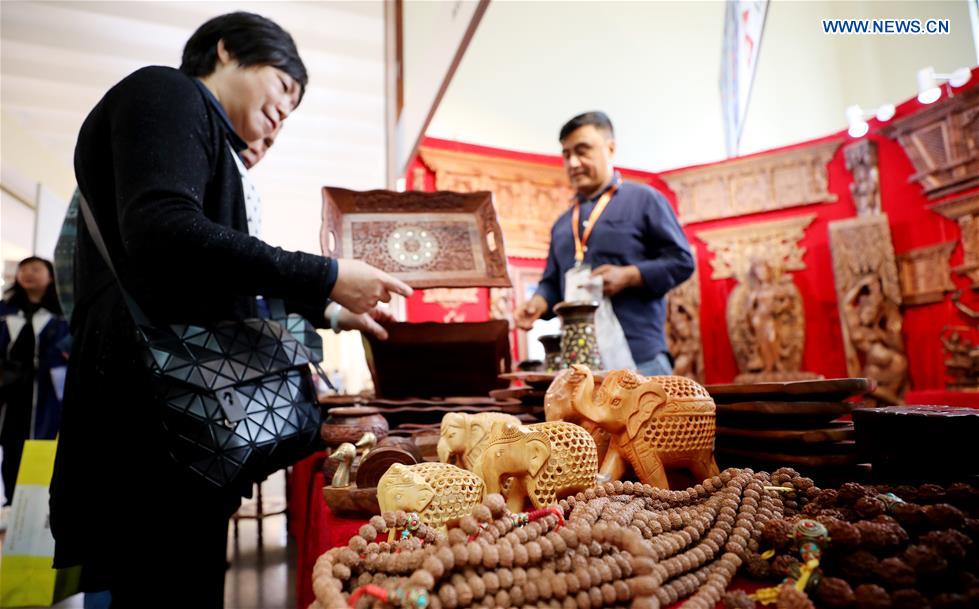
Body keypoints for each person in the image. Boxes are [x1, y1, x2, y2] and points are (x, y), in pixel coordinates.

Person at [49, 12, 411, 608]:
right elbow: (165, 229)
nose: (283, 112)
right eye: (283, 86)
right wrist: (326, 275)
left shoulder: (208, 133)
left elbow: (220, 275)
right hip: (151, 418)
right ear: (226, 50)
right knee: (159, 580)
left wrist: (330, 308)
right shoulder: (167, 90)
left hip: (174, 416)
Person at [515, 112, 694, 376]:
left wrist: (630, 275)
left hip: (641, 358)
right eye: (566, 154)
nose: (573, 163)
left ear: (610, 148)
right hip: (580, 364)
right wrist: (537, 303)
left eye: (582, 151)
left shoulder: (645, 200)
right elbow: (552, 283)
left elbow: (682, 261)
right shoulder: (562, 224)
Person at [0, 257, 70, 504]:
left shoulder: (64, 313)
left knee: (42, 448)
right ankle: (12, 504)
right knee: (11, 448)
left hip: (48, 395)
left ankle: (36, 509)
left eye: (35, 269)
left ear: (50, 276)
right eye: (23, 269)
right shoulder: (6, 310)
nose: (28, 273)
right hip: (11, 394)